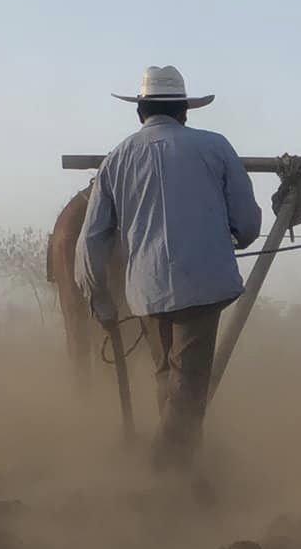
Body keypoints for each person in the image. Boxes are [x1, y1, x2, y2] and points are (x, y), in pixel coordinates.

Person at [76, 65, 262, 471]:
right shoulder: (215, 147)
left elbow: (90, 239)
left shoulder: (117, 159)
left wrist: (99, 299)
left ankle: (182, 472)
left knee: (166, 378)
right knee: (188, 389)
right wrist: (233, 239)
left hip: (146, 291)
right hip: (202, 286)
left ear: (140, 111)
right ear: (185, 112)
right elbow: (248, 223)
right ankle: (162, 480)